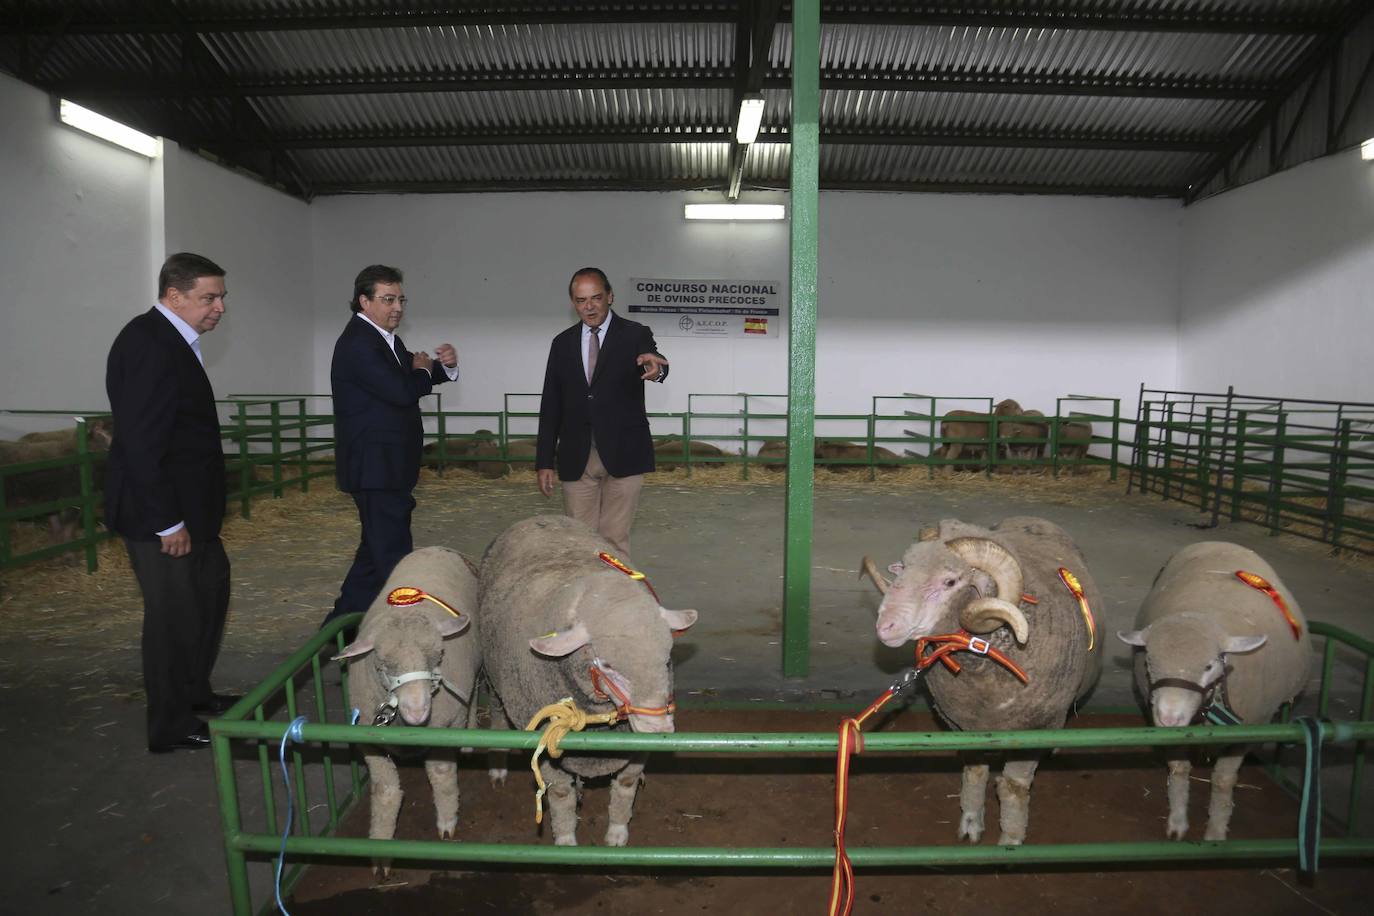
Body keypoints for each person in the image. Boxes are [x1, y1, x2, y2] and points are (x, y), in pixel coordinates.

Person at [105, 252, 237, 753]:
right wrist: (166, 523)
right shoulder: (146, 343)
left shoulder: (180, 342)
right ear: (174, 295)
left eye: (222, 296)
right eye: (209, 297)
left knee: (208, 600)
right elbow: (140, 443)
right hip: (159, 517)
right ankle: (169, 724)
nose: (220, 307)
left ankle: (195, 694)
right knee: (173, 619)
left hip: (194, 513)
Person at [321, 265, 458, 627]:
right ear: (364, 301)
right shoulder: (358, 343)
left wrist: (444, 368)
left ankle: (337, 635)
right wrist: (424, 371)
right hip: (375, 468)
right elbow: (402, 390)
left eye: (400, 299)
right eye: (387, 299)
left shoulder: (385, 339)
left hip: (388, 467)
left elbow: (412, 374)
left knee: (371, 561)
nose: (397, 307)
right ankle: (402, 636)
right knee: (393, 561)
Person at [536, 267, 669, 559]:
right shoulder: (562, 344)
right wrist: (544, 460)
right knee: (579, 542)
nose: (589, 306)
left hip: (625, 452)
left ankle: (617, 600)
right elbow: (551, 404)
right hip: (576, 456)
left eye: (596, 298)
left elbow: (656, 364)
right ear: (573, 303)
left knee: (615, 540)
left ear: (610, 296)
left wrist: (656, 368)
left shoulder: (636, 334)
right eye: (581, 300)